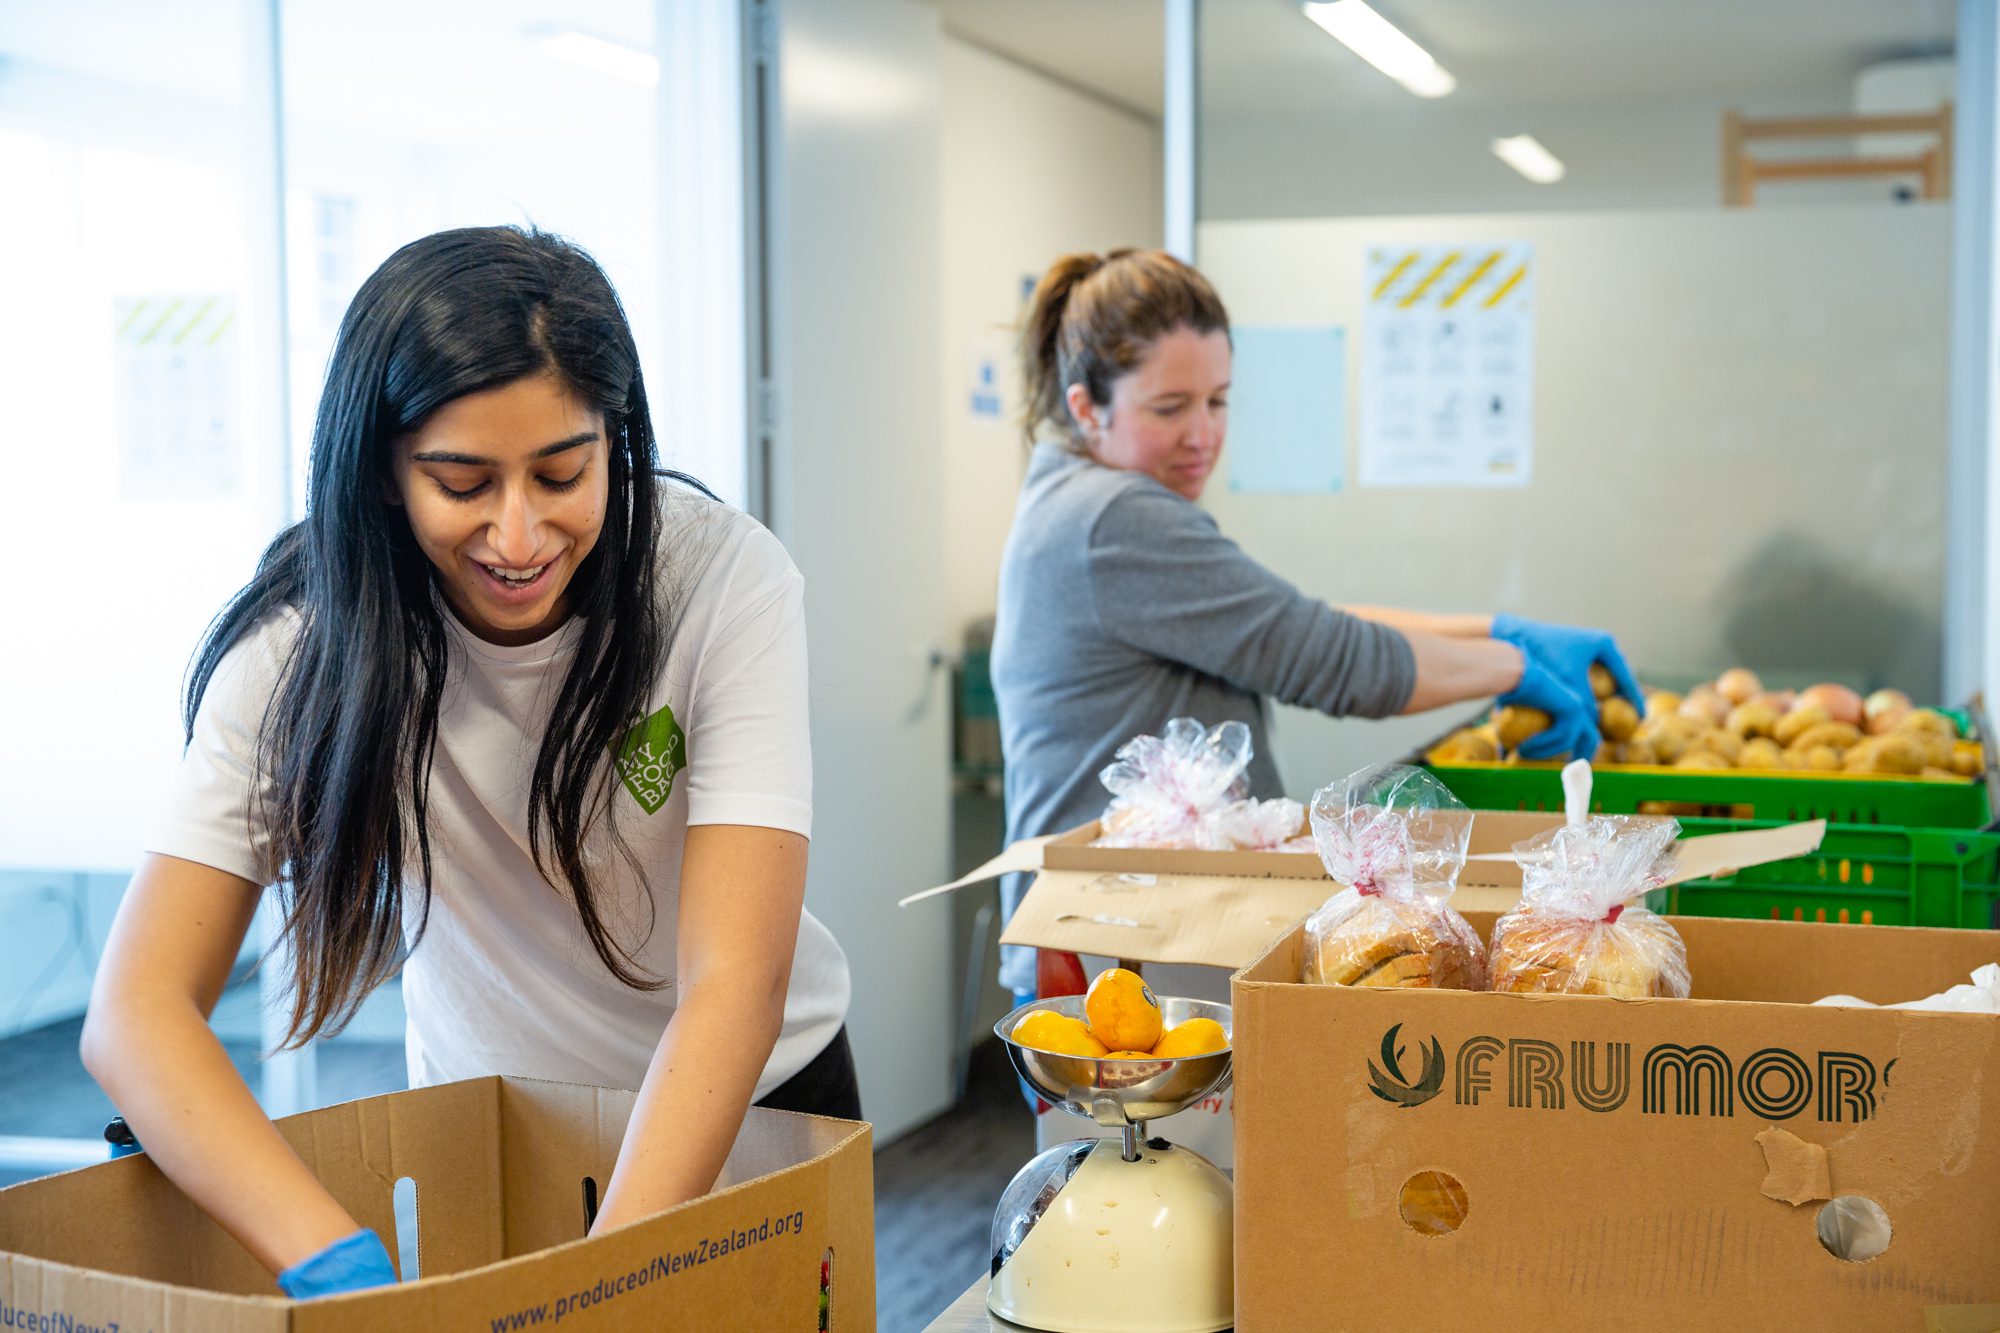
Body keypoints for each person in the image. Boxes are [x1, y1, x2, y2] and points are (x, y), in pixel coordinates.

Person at [80, 227, 854, 1299]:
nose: (518, 532)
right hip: (496, 1130)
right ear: (385, 474)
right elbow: (136, 1012)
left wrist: (607, 1281)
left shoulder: (720, 579)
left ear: (614, 443)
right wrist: (334, 1260)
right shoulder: (302, 647)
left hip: (747, 1104)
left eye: (561, 472)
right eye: (462, 482)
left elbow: (734, 980)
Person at [992, 248, 1638, 1001]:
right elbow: (1326, 657)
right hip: (1121, 954)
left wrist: (1497, 631)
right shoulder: (1115, 519)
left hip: (1124, 935)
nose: (1204, 434)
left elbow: (1289, 620)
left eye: (1219, 400)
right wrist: (1514, 668)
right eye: (1171, 408)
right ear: (1085, 406)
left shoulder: (1084, 499)